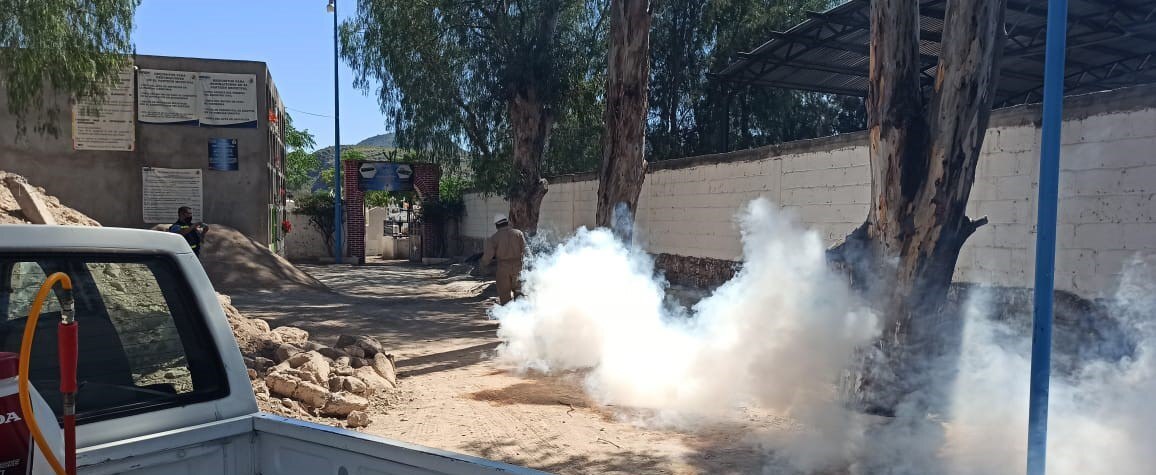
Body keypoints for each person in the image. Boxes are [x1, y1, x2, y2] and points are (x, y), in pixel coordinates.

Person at [480, 215, 526, 304]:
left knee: (505, 295)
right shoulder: (518, 233)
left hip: (503, 269)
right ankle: (521, 315)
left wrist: (483, 265)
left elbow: (487, 257)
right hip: (518, 267)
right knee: (519, 293)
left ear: (496, 225)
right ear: (507, 222)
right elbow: (526, 250)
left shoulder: (494, 238)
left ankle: (507, 314)